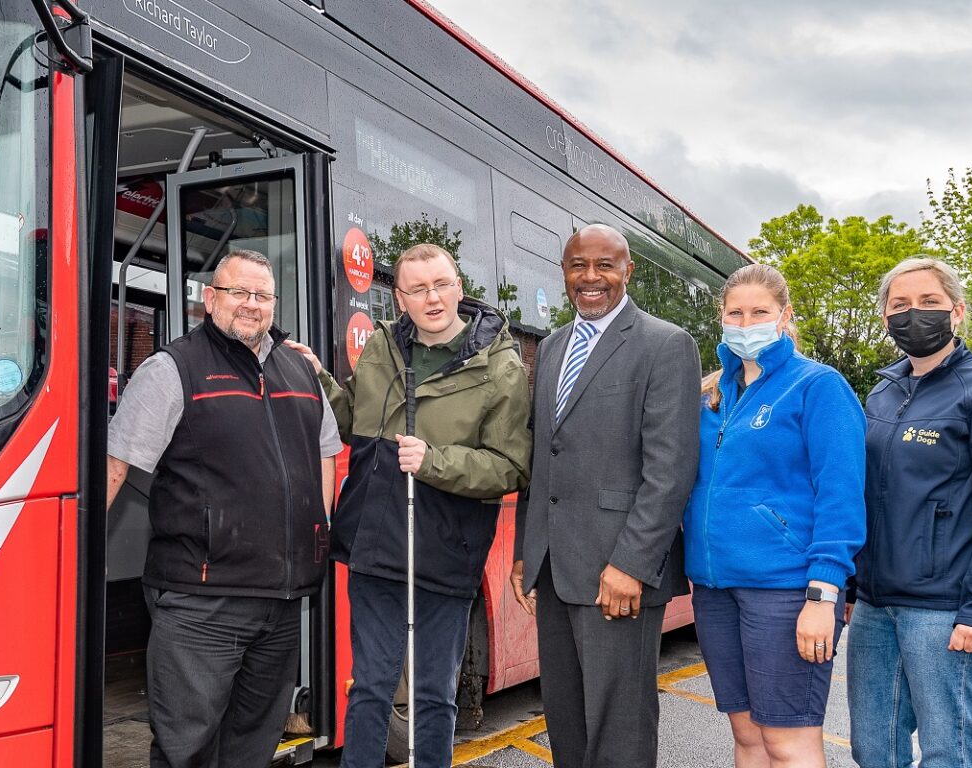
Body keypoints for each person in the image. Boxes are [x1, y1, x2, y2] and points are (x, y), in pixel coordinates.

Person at [283, 243, 531, 768]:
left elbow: (510, 466)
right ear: (399, 298)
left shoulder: (501, 367)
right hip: (376, 542)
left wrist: (435, 461)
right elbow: (352, 418)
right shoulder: (381, 348)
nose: (432, 298)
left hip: (446, 549)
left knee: (433, 694)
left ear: (459, 287)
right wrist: (316, 378)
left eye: (440, 284)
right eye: (417, 289)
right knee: (371, 685)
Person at [103, 249, 343, 768]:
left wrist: (315, 537)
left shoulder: (301, 371)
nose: (251, 305)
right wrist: (68, 558)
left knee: (251, 748)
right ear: (209, 299)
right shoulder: (172, 368)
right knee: (186, 750)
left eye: (262, 295)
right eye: (238, 292)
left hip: (281, 603)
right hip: (199, 601)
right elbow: (114, 466)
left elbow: (326, 454)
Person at [510, 224, 701, 768]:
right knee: (566, 723)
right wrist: (529, 552)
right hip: (556, 569)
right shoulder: (550, 347)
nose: (590, 278)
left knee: (619, 732)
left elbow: (671, 469)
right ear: (564, 271)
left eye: (604, 266)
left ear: (627, 270)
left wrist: (633, 565)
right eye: (577, 266)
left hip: (618, 575)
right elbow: (542, 458)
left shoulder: (666, 344)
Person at [849, 257, 972, 768]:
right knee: (873, 750)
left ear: (957, 311)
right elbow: (863, 496)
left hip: (948, 606)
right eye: (900, 305)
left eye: (929, 303)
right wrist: (849, 586)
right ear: (885, 317)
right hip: (876, 604)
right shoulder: (882, 392)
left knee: (946, 751)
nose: (914, 314)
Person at [683, 263, 865, 768]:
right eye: (735, 313)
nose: (746, 323)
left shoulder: (818, 386)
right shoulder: (710, 395)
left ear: (784, 316)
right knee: (747, 738)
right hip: (715, 589)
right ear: (720, 318)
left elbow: (841, 497)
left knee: (788, 743)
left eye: (759, 312)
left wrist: (823, 595)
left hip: (786, 591)